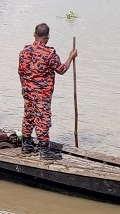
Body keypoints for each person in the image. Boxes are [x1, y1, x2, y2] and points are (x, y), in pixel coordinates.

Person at [18, 23, 77, 160]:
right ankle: (44, 151)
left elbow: (20, 72)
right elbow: (61, 69)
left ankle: (26, 146)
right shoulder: (49, 54)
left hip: (27, 91)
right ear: (47, 37)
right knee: (43, 119)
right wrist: (71, 57)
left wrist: (24, 88)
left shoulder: (24, 52)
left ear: (34, 34)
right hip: (42, 94)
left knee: (28, 116)